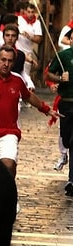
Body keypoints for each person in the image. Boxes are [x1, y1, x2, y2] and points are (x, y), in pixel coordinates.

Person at [0, 46, 57, 181]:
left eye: (10, 61)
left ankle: (9, 196)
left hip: (9, 132)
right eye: (3, 60)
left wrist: (46, 109)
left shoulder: (17, 80)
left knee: (9, 165)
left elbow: (28, 96)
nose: (6, 64)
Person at [45, 48, 73, 195]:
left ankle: (72, 179)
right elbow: (48, 74)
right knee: (67, 139)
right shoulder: (63, 56)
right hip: (66, 103)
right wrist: (60, 79)